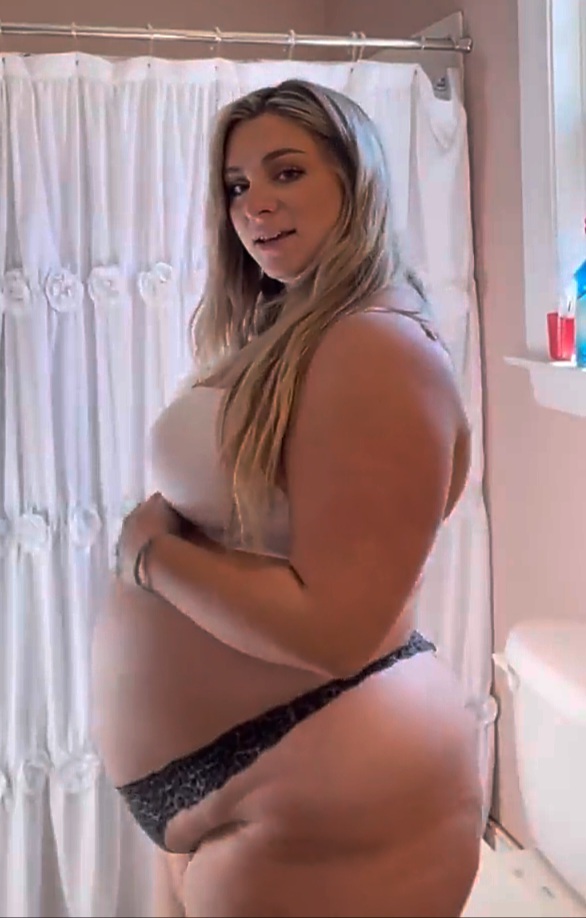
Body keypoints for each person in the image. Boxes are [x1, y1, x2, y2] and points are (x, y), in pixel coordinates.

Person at [91, 79, 483, 918]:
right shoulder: (297, 330)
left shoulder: (377, 346)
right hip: (258, 786)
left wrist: (150, 558)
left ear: (356, 178)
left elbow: (335, 629)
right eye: (237, 185)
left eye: (287, 172)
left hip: (328, 772)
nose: (254, 205)